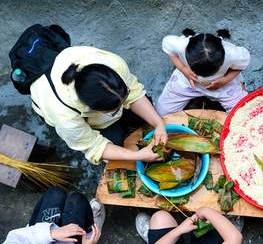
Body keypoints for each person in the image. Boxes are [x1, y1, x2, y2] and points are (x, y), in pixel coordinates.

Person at [30, 46, 167, 164]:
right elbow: (94, 146)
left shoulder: (112, 64)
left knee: (140, 116)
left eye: (124, 99)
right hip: (51, 103)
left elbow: (134, 94)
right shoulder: (64, 116)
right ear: (92, 109)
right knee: (116, 140)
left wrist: (158, 123)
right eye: (114, 111)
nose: (122, 108)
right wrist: (138, 156)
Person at [155, 29, 250, 115]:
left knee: (243, 113)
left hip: (222, 85)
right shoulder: (181, 45)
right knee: (161, 113)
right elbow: (168, 48)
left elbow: (242, 65)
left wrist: (224, 80)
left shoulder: (232, 54)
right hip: (188, 81)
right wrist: (183, 69)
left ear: (222, 61)